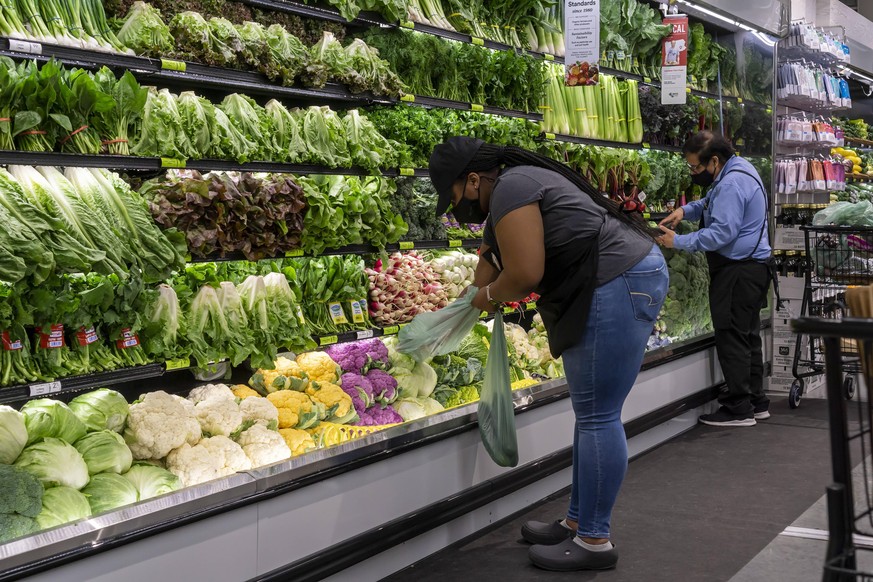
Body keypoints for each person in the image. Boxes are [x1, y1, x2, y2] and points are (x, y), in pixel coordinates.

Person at [428, 137, 669, 571]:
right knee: (590, 412)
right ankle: (578, 521)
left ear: (474, 179)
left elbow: (522, 275)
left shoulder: (512, 189)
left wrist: (486, 296)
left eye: (454, 197)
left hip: (617, 279)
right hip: (614, 278)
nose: (454, 208)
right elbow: (491, 264)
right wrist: (460, 309)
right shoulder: (505, 193)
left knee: (599, 414)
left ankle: (595, 542)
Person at [658, 131, 772, 427]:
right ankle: (755, 400)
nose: (694, 173)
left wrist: (678, 241)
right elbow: (710, 202)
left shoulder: (732, 183)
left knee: (731, 336)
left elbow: (723, 232)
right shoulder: (740, 169)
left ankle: (739, 409)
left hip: (737, 271)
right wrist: (684, 210)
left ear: (714, 161)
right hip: (753, 269)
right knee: (748, 335)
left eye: (696, 168)